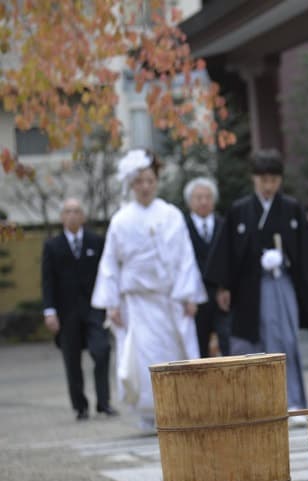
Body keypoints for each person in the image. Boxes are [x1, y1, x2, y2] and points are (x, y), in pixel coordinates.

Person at [206, 149, 308, 417]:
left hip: (280, 283)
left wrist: (284, 259)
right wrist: (223, 286)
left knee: (285, 339)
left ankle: (292, 399)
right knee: (248, 344)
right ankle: (254, 403)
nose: (268, 186)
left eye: (273, 180)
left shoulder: (291, 208)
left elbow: (305, 252)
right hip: (247, 288)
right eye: (263, 180)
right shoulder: (240, 211)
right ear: (254, 179)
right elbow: (227, 251)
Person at [91, 149, 207, 432]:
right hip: (138, 303)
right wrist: (112, 304)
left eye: (150, 180)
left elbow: (185, 258)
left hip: (169, 299)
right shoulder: (121, 220)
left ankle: (178, 409)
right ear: (132, 184)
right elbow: (110, 264)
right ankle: (148, 413)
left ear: (156, 182)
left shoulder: (172, 215)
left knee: (173, 353)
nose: (145, 186)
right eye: (139, 181)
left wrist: (189, 295)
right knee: (143, 357)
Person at [41, 198, 117, 421]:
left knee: (102, 350)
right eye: (68, 211)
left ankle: (104, 403)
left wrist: (111, 303)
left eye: (76, 211)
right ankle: (80, 406)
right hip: (66, 313)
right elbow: (47, 281)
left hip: (95, 309)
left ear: (83, 216)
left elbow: (107, 275)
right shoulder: (52, 246)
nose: (73, 215)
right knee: (71, 360)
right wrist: (49, 311)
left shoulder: (97, 241)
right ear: (62, 217)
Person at [183, 177, 231, 357]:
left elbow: (231, 259)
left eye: (208, 197)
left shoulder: (224, 225)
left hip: (221, 296)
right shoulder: (181, 228)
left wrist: (226, 287)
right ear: (190, 201)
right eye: (199, 197)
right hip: (194, 299)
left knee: (227, 344)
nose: (204, 201)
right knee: (198, 349)